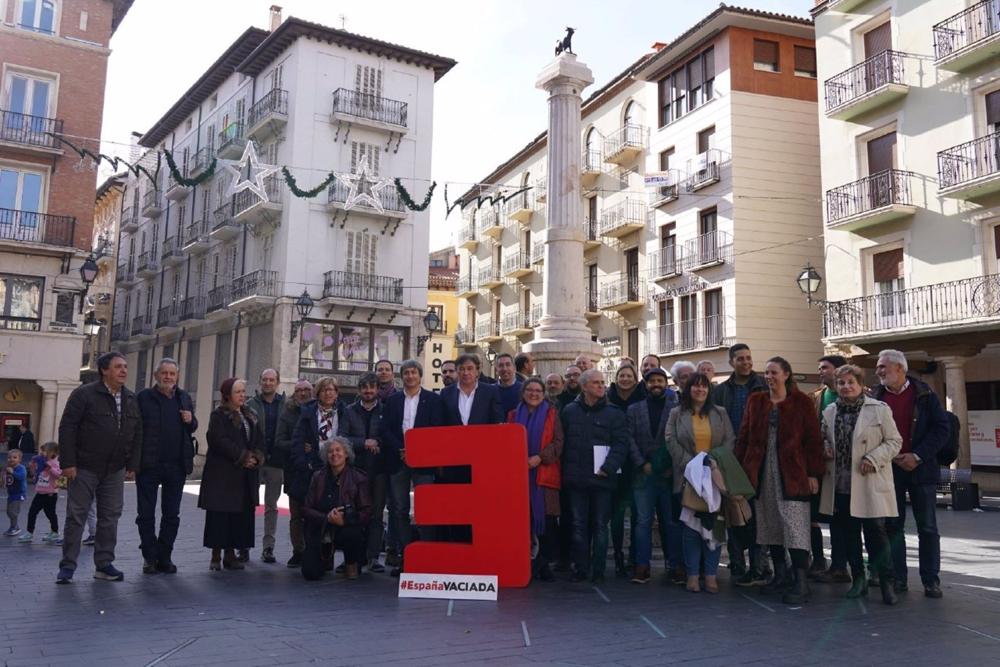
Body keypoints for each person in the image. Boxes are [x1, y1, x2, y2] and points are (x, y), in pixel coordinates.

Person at [736, 357, 823, 604]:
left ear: (786, 374)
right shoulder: (756, 401)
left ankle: (801, 582)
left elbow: (813, 440)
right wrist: (741, 471)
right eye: (767, 373)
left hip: (793, 473)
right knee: (769, 525)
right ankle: (780, 575)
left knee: (795, 527)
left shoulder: (801, 402)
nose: (769, 377)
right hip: (763, 473)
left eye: (774, 372)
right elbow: (744, 437)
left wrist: (813, 473)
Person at [871, 349, 950, 599]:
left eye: (883, 367)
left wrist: (917, 456)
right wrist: (891, 456)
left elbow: (941, 429)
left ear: (900, 369)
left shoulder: (925, 395)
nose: (878, 371)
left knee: (927, 527)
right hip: (890, 470)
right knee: (893, 527)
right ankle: (898, 579)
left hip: (921, 469)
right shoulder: (876, 397)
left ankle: (930, 580)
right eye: (878, 367)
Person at [56, 351, 141, 584]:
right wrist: (68, 463)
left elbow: (137, 433)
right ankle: (67, 567)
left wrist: (132, 464)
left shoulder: (131, 398)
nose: (124, 371)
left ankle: (103, 565)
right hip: (84, 466)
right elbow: (68, 428)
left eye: (125, 367)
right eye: (118, 367)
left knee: (110, 517)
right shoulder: (84, 394)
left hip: (114, 469)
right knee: (76, 516)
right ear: (104, 370)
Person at [820, 364, 901, 605]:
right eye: (841, 383)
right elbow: (823, 436)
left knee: (876, 534)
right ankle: (858, 580)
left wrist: (873, 457)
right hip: (842, 484)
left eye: (850, 382)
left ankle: (887, 581)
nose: (845, 387)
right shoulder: (830, 411)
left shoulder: (879, 409)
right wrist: (824, 445)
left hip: (869, 482)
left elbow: (895, 441)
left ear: (860, 384)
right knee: (849, 536)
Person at [667, 373, 736, 592]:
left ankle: (711, 575)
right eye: (695, 387)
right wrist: (693, 464)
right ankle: (693, 575)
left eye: (704, 386)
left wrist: (713, 461)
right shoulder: (677, 413)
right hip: (689, 476)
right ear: (688, 390)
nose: (700, 390)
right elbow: (671, 439)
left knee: (714, 526)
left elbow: (729, 440)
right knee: (690, 528)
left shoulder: (720, 413)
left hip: (715, 476)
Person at [561, 369, 630, 583]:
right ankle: (580, 568)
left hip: (603, 480)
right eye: (596, 383)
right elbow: (563, 444)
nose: (601, 386)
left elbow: (621, 444)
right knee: (579, 525)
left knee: (601, 526)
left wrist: (608, 467)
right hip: (577, 479)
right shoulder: (569, 411)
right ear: (584, 387)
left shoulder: (614, 413)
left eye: (602, 382)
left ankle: (598, 570)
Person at [135, 358, 198, 574]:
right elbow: (135, 430)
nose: (168, 377)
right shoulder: (143, 398)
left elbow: (193, 427)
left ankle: (165, 556)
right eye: (164, 373)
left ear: (177, 377)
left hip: (176, 466)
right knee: (145, 514)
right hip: (149, 466)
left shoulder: (183, 398)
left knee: (172, 514)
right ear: (156, 376)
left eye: (172, 374)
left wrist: (191, 420)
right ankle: (149, 557)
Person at [713, 343, 768, 585]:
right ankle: (737, 563)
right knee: (733, 513)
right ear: (731, 362)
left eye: (749, 357)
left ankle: (759, 566)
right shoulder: (721, 391)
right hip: (730, 458)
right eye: (741, 359)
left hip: (758, 458)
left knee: (757, 515)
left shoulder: (763, 386)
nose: (746, 362)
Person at [382, 359, 444, 575]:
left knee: (426, 508)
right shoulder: (393, 401)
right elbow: (386, 429)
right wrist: (401, 449)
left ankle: (427, 554)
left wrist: (418, 451)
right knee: (398, 509)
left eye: (413, 372)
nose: (410, 376)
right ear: (402, 376)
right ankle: (405, 555)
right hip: (398, 460)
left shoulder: (433, 401)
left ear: (420, 375)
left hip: (424, 463)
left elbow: (436, 430)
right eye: (406, 373)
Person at [199, 378, 264, 571]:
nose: (243, 395)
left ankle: (231, 554)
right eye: (238, 392)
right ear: (228, 395)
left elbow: (259, 439)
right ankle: (216, 556)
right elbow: (218, 440)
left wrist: (256, 457)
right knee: (220, 515)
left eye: (244, 392)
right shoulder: (219, 415)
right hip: (223, 475)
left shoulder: (250, 415)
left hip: (244, 476)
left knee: (239, 515)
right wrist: (242, 456)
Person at [289, 377, 353, 569]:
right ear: (318, 393)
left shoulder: (343, 412)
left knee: (332, 511)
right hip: (312, 469)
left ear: (337, 393)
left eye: (332, 390)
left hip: (336, 468)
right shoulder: (308, 413)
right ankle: (308, 552)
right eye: (324, 390)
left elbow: (346, 437)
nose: (328, 393)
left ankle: (329, 555)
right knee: (311, 513)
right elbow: (297, 441)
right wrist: (305, 463)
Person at [627, 368, 680, 584]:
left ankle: (675, 566)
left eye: (660, 381)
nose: (656, 384)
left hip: (667, 475)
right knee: (642, 522)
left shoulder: (675, 408)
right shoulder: (634, 409)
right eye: (652, 381)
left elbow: (678, 439)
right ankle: (642, 566)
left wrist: (668, 466)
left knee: (671, 522)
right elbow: (628, 438)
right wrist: (641, 464)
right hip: (643, 475)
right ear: (645, 384)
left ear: (666, 384)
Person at [508, 378, 563, 582]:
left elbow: (558, 442)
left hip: (544, 477)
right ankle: (525, 562)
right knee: (523, 523)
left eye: (538, 390)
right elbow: (507, 442)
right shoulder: (513, 415)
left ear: (544, 393)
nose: (534, 393)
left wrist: (539, 457)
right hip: (519, 477)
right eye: (529, 390)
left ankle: (543, 564)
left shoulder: (552, 414)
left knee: (546, 523)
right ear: (523, 393)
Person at [301, 437, 372, 581]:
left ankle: (351, 563)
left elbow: (366, 512)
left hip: (347, 527)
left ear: (346, 454)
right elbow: (306, 509)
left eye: (338, 450)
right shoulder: (317, 476)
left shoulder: (359, 477)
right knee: (310, 573)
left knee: (352, 533)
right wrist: (327, 518)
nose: (334, 454)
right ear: (326, 456)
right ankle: (325, 559)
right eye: (330, 452)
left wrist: (344, 520)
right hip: (322, 527)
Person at [343, 371, 387, 573]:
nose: (368, 391)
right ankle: (352, 558)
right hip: (355, 471)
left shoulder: (386, 410)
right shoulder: (349, 411)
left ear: (378, 389)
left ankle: (373, 557)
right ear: (359, 390)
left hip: (379, 470)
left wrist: (379, 443)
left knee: (376, 515)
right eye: (365, 388)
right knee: (352, 515)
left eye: (372, 387)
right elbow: (343, 438)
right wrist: (364, 443)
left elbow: (390, 435)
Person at [810, 354, 848, 583]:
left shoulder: (858, 394)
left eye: (825, 367)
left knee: (841, 520)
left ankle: (841, 565)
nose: (821, 371)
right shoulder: (817, 397)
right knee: (814, 516)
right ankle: (819, 560)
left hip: (845, 470)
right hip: (820, 467)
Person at [606, 364, 645, 577]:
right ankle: (619, 553)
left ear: (635, 378)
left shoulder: (642, 397)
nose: (625, 379)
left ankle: (635, 556)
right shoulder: (608, 398)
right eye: (622, 375)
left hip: (636, 463)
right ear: (616, 378)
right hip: (614, 462)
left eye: (629, 376)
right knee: (617, 513)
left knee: (639, 513)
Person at [246, 368, 285, 564]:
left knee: (271, 506)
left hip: (276, 462)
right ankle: (243, 546)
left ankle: (268, 548)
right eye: (265, 379)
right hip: (255, 461)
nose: (268, 383)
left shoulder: (285, 405)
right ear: (260, 381)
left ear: (277, 382)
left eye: (272, 380)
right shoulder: (250, 404)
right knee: (247, 504)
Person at [276, 379, 313, 567]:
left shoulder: (317, 411)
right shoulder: (288, 413)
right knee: (296, 514)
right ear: (294, 393)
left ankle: (314, 550)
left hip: (315, 472)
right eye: (299, 390)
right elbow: (279, 442)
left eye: (307, 390)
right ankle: (298, 550)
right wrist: (298, 446)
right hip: (294, 471)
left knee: (314, 513)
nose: (303, 393)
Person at [440, 353, 504, 427]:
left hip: (483, 437)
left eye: (470, 368)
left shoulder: (490, 392)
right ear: (457, 371)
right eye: (461, 369)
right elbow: (442, 421)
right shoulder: (446, 393)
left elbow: (497, 420)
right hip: (454, 437)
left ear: (477, 371)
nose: (466, 373)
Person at [19, 442, 61, 544]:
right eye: (41, 451)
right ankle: (29, 533)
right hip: (40, 492)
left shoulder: (55, 462)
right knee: (32, 512)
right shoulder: (42, 461)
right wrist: (33, 467)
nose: (42, 453)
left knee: (50, 514)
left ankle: (55, 532)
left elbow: (59, 474)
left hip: (50, 494)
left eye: (44, 451)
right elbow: (36, 474)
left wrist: (50, 468)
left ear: (53, 452)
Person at [4, 448, 26, 536]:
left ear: (19, 459)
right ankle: (14, 526)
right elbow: (8, 479)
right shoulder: (9, 468)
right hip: (11, 494)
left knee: (13, 512)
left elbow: (21, 477)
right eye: (9, 457)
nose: (11, 459)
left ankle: (15, 528)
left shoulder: (21, 468)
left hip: (19, 494)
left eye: (14, 457)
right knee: (9, 512)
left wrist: (13, 472)